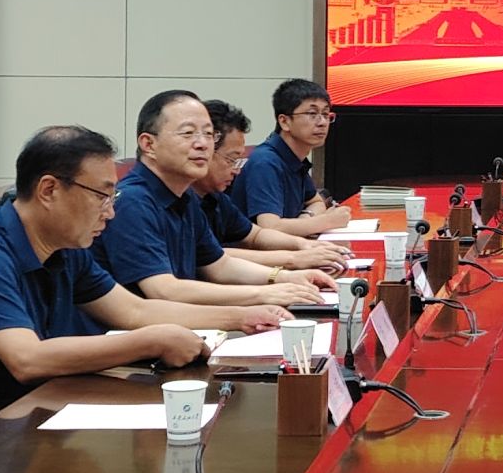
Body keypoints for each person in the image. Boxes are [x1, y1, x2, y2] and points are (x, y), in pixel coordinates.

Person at [0, 124, 249, 436]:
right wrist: (152, 340)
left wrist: (245, 316)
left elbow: (134, 311)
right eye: (101, 196)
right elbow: (27, 359)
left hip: (21, 419)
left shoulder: (64, 246)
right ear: (49, 190)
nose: (111, 212)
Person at [97, 91, 337, 311]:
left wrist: (285, 277)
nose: (203, 144)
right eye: (188, 133)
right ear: (149, 144)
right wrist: (265, 293)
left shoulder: (186, 197)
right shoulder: (133, 201)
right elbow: (164, 290)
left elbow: (220, 266)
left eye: (208, 134)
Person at [201, 100, 348, 273]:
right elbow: (216, 256)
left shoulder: (216, 198)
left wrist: (305, 244)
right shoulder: (264, 162)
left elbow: (256, 235)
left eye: (326, 114)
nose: (236, 170)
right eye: (231, 159)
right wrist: (293, 259)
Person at [231, 79, 357, 238]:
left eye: (326, 114)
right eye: (312, 114)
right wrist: (326, 221)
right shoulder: (265, 162)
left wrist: (305, 219)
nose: (322, 122)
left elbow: (316, 202)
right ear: (284, 121)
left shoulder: (293, 157)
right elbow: (270, 227)